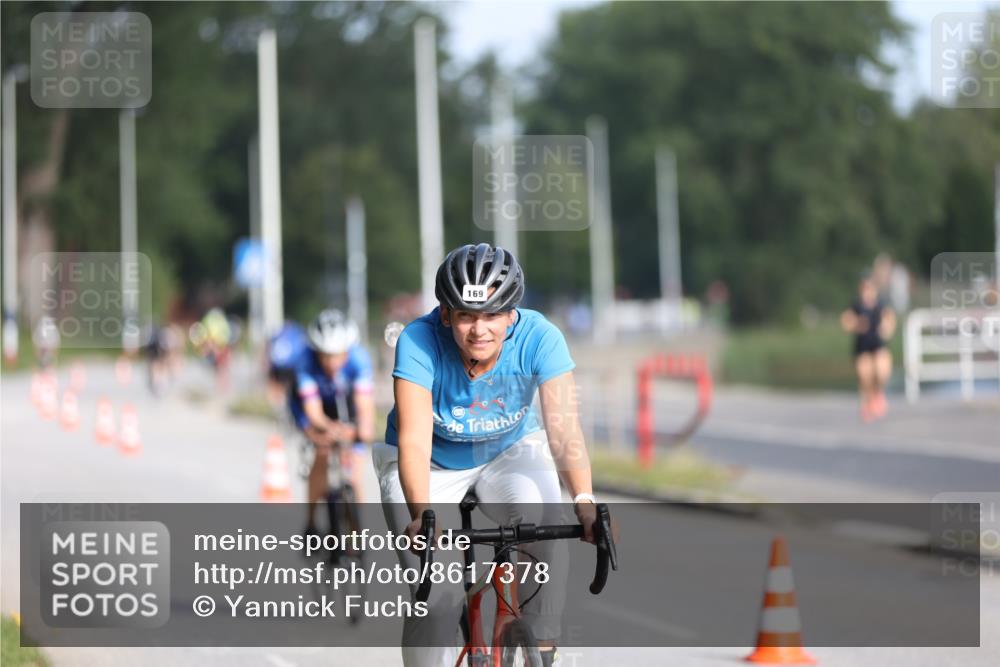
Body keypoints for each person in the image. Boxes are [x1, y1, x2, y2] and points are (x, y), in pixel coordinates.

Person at [375, 243, 598, 667]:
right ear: (446, 315)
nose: (480, 330)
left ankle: (542, 646)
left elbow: (563, 428)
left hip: (508, 451)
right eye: (466, 316)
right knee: (437, 598)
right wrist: (422, 513)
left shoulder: (541, 337)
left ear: (512, 313)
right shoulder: (419, 341)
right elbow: (415, 440)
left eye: (493, 315)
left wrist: (584, 500)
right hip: (430, 465)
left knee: (548, 518)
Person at [290, 309, 376, 531]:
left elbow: (364, 406)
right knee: (322, 453)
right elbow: (313, 412)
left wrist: (361, 431)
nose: (331, 362)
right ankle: (311, 523)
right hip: (316, 407)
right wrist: (327, 430)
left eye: (337, 355)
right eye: (325, 355)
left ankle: (356, 530)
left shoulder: (359, 359)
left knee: (355, 467)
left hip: (346, 404)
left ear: (348, 351)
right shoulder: (305, 362)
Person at [841, 273, 896, 421]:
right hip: (862, 346)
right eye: (865, 289)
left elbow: (890, 320)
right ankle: (867, 403)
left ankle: (877, 395)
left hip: (878, 345)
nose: (867, 292)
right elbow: (846, 321)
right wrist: (857, 325)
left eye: (870, 288)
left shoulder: (880, 306)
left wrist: (887, 328)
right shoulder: (856, 306)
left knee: (881, 371)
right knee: (865, 377)